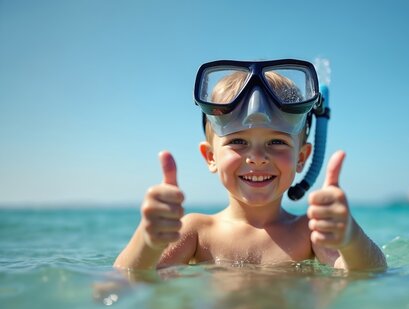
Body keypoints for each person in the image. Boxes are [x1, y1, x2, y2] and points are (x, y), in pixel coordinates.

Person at [114, 59, 386, 271]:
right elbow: (125, 280)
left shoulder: (308, 232)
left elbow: (366, 274)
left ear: (301, 158)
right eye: (238, 142)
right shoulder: (196, 232)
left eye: (277, 142)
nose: (257, 157)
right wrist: (146, 241)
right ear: (210, 157)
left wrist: (350, 238)